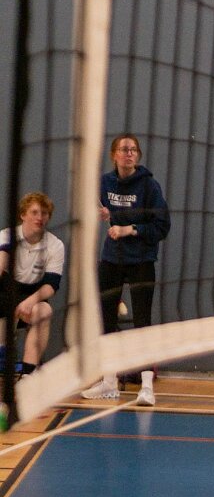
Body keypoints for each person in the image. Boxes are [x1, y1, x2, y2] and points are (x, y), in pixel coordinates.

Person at [81, 134, 171, 406]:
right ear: (114, 155)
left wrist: (129, 229)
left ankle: (146, 387)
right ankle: (109, 382)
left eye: (133, 149)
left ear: (138, 155)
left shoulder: (149, 186)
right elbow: (95, 208)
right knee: (106, 319)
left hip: (141, 260)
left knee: (142, 321)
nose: (129, 153)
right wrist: (100, 214)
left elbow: (162, 227)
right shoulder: (105, 182)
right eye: (124, 149)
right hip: (112, 259)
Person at [0, 192, 65, 374]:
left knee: (44, 311)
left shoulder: (54, 245)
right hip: (4, 293)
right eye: (34, 212)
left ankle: (28, 374)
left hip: (31, 296)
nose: (39, 217)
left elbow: (51, 285)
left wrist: (29, 302)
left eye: (44, 213)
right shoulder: (7, 236)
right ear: (23, 215)